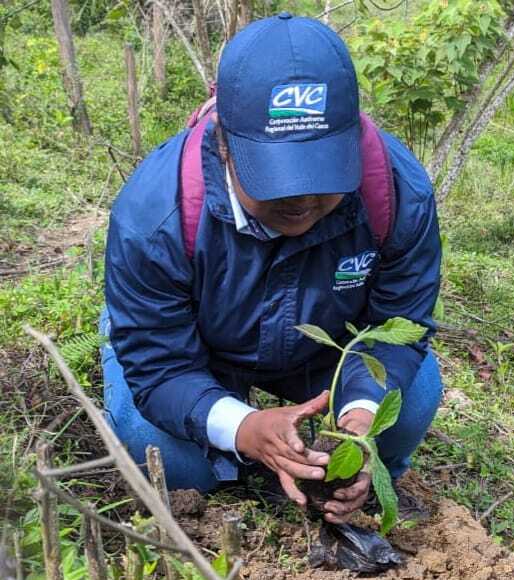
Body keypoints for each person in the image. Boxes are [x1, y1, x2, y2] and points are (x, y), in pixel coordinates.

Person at [101, 13, 442, 524]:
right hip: (196, 352)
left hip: (316, 353)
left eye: (323, 174)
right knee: (162, 451)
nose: (302, 200)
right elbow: (159, 362)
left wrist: (360, 421)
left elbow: (397, 329)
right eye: (275, 179)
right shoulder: (155, 217)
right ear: (223, 143)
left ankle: (352, 481)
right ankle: (229, 466)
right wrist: (243, 427)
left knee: (411, 401)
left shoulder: (397, 194)